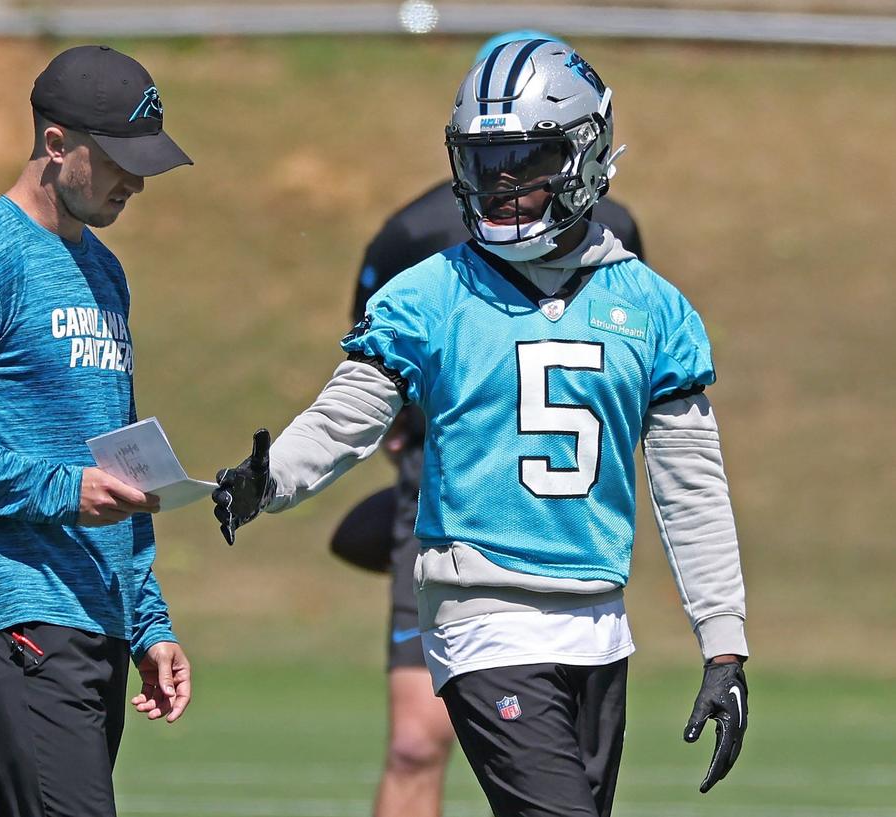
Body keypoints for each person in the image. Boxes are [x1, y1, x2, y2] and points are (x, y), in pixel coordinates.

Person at [213, 38, 749, 817]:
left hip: (600, 627)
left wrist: (724, 643)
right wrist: (272, 476)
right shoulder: (428, 295)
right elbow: (348, 416)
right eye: (484, 161)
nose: (500, 184)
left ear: (585, 152)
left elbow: (691, 484)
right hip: (483, 619)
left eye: (526, 159)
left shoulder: (656, 308)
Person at [329, 30, 647, 817]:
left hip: (561, 531)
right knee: (414, 739)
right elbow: (372, 381)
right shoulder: (411, 241)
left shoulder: (619, 231)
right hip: (441, 508)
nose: (506, 175)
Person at [0, 45, 193, 817]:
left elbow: (116, 456)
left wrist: (148, 619)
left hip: (93, 616)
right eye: (119, 160)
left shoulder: (106, 272)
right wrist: (60, 489)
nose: (136, 183)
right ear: (55, 145)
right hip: (11, 614)